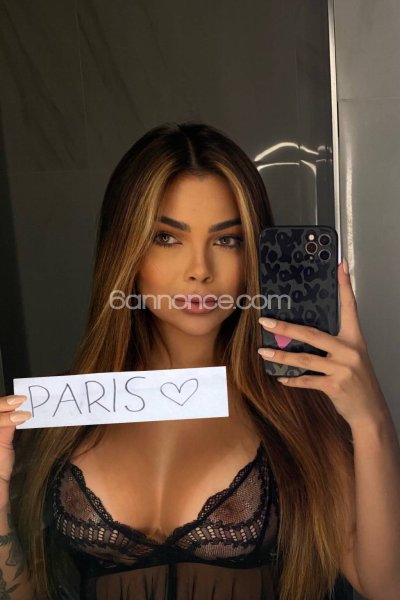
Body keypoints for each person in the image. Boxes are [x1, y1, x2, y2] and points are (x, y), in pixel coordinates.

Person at [0, 122, 399, 600]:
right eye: (167, 238)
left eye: (227, 240)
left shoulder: (295, 404)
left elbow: (386, 585)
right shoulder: (63, 410)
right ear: (126, 249)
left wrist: (371, 418)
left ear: (254, 254)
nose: (200, 270)